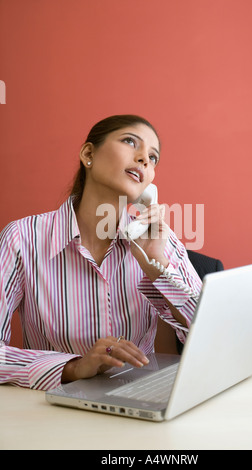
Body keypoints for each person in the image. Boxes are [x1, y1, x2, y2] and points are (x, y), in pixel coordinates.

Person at [0, 114, 202, 390]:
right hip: (52, 408)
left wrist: (159, 266)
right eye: (131, 142)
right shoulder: (22, 239)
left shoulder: (160, 241)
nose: (144, 159)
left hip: (138, 399)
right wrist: (73, 367)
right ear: (88, 153)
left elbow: (211, 336)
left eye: (153, 157)